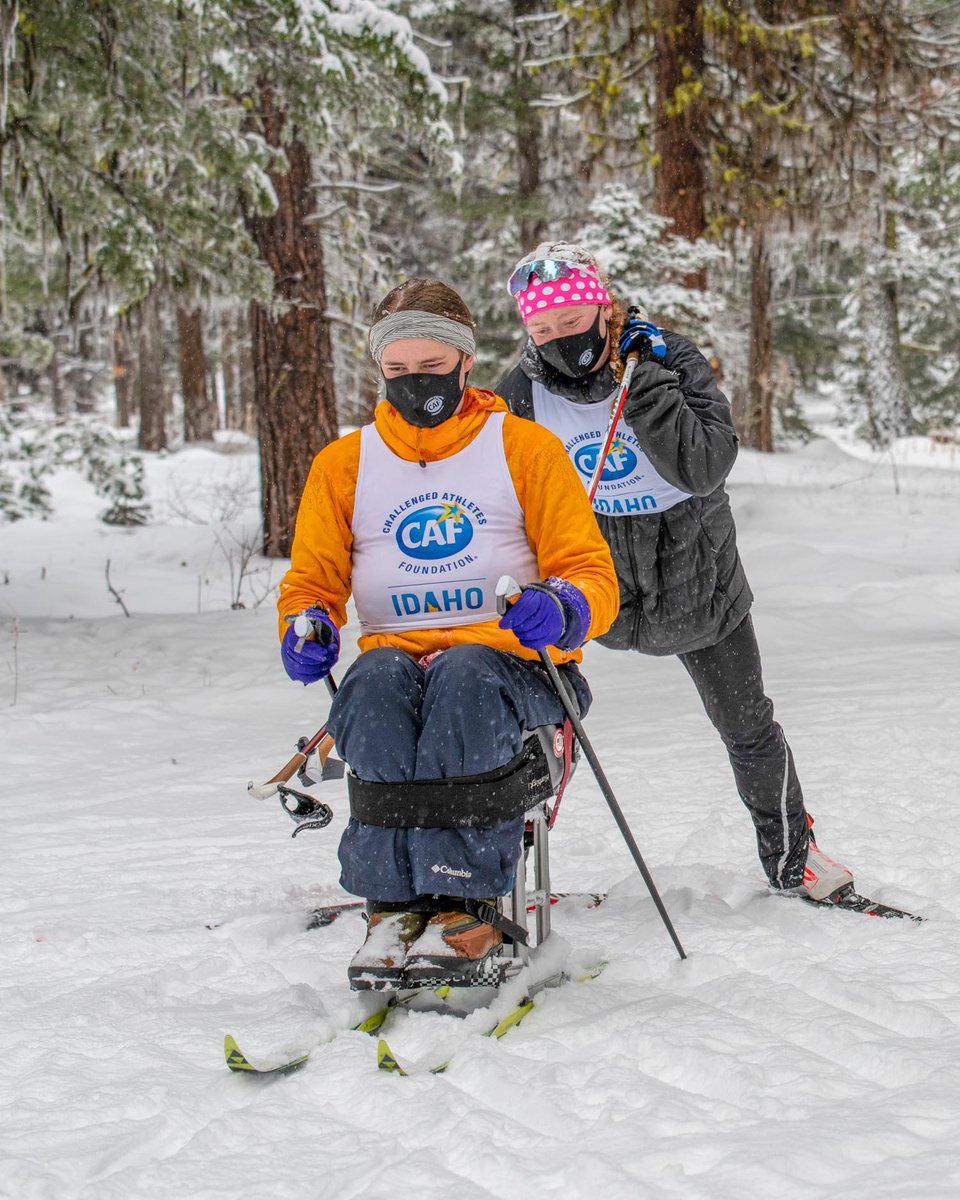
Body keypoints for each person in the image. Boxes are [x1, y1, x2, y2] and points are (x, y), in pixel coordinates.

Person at [276, 277, 619, 991]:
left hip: (515, 671)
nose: (413, 386)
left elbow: (591, 573)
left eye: (430, 370)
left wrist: (562, 607)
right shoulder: (343, 465)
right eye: (396, 372)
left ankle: (466, 903)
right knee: (370, 685)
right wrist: (305, 625)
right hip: (396, 666)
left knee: (464, 671)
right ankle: (393, 907)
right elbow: (311, 585)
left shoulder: (524, 449)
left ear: (466, 364)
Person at [496, 241, 855, 903]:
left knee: (747, 725)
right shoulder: (519, 393)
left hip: (696, 573)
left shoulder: (666, 357)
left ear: (602, 310)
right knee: (534, 712)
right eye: (541, 330)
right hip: (594, 579)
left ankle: (793, 856)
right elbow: (500, 488)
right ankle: (502, 859)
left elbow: (704, 467)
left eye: (571, 323)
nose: (557, 341)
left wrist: (648, 384)